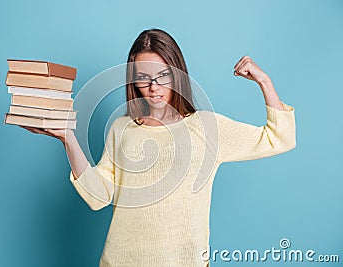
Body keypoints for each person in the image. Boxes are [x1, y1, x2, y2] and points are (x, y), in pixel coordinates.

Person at [21, 28, 296, 267]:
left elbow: (278, 138)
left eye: (163, 75)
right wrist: (68, 138)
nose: (153, 87)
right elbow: (98, 196)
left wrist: (264, 81)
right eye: (143, 77)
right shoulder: (122, 128)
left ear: (177, 73)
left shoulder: (207, 127)